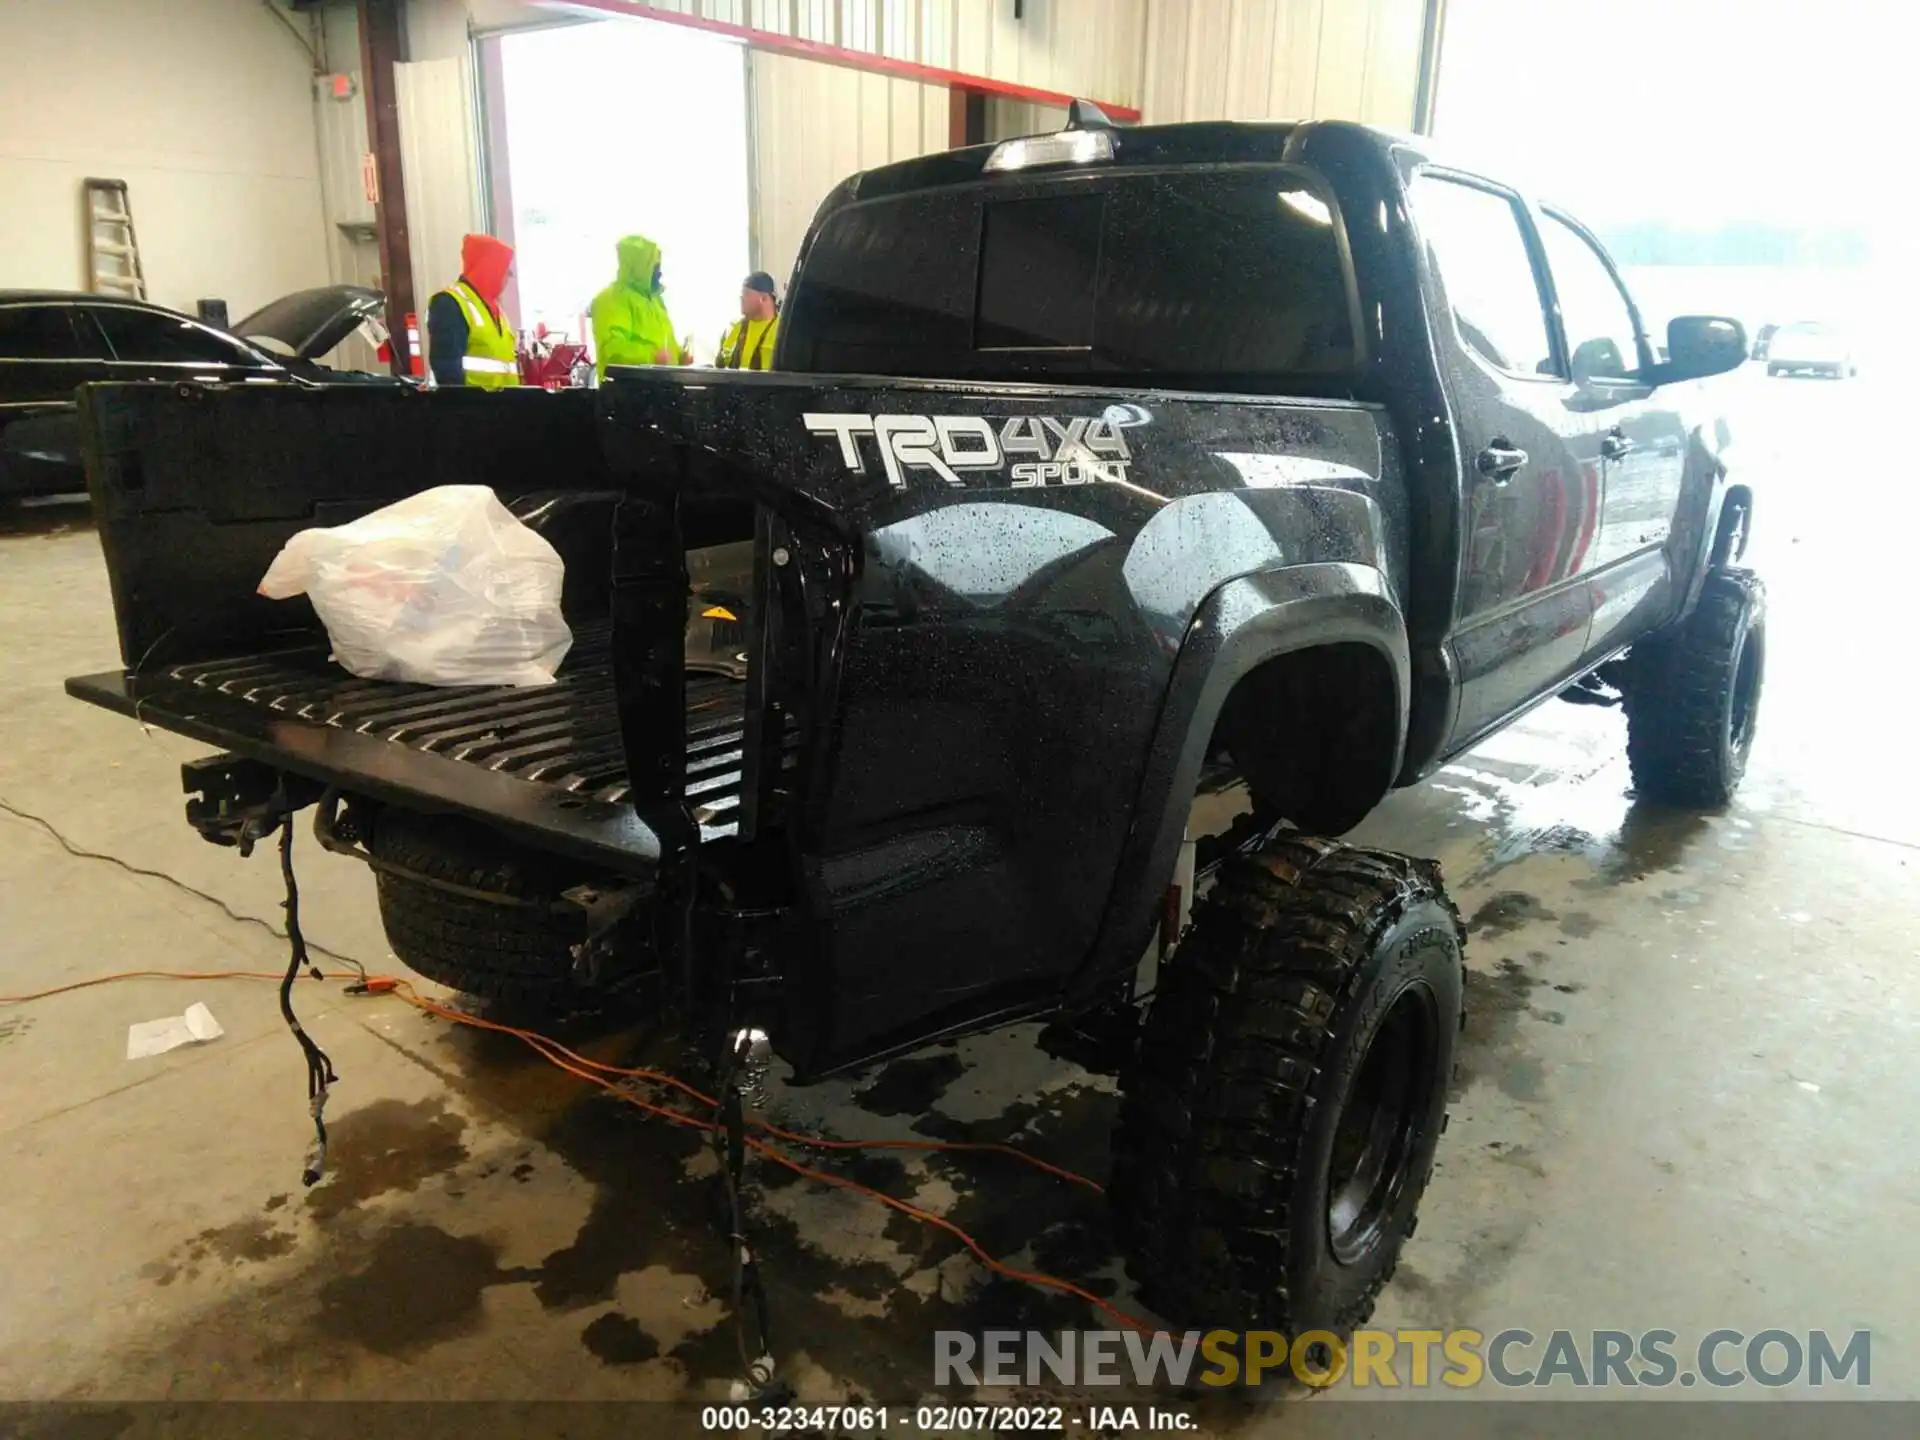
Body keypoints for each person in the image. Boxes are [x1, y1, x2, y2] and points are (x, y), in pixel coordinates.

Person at [590, 235, 690, 380]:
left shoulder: (655, 301)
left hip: (659, 389)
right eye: (654, 266)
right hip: (625, 393)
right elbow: (613, 352)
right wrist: (652, 358)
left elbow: (665, 344)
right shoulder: (612, 299)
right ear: (640, 266)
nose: (659, 272)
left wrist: (680, 358)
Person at [426, 233, 519, 389]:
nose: (506, 279)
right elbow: (447, 373)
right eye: (506, 272)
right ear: (491, 269)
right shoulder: (449, 304)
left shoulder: (493, 308)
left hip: (505, 406)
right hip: (476, 408)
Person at [717, 271, 780, 371]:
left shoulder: (782, 330)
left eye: (746, 293)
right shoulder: (736, 328)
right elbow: (720, 366)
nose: (741, 298)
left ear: (763, 298)